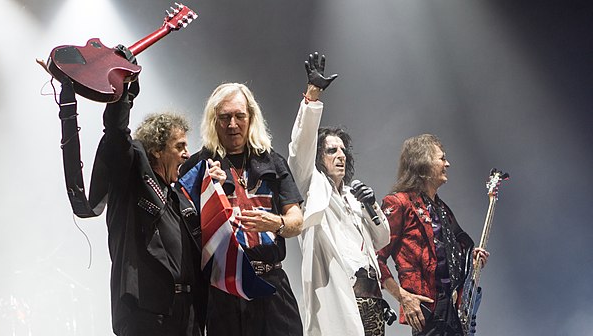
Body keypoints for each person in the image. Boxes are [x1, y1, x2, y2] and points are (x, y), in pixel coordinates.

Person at [97, 77, 225, 336]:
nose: (187, 154)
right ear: (156, 150)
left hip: (187, 314)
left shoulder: (179, 196)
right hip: (147, 315)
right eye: (180, 146)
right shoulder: (132, 184)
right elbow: (116, 136)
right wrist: (122, 94)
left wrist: (218, 191)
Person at [178, 82, 305, 336]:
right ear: (214, 120)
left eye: (239, 116)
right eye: (224, 117)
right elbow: (184, 230)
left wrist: (275, 223)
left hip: (272, 286)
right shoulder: (198, 166)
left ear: (251, 117)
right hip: (224, 290)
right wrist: (202, 188)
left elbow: (297, 222)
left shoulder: (273, 161)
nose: (232, 125)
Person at [287, 52, 391, 336]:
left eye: (343, 150)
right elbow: (300, 150)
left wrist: (371, 206)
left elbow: (382, 240)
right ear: (319, 157)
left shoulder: (354, 198)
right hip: (340, 302)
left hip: (372, 304)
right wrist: (312, 96)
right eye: (332, 150)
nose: (340, 155)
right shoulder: (311, 189)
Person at [376, 134, 490, 336]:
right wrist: (403, 297)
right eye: (442, 159)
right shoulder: (399, 203)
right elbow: (375, 257)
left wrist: (469, 260)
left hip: (453, 312)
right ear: (424, 163)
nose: (448, 164)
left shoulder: (441, 208)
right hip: (429, 312)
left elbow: (453, 249)